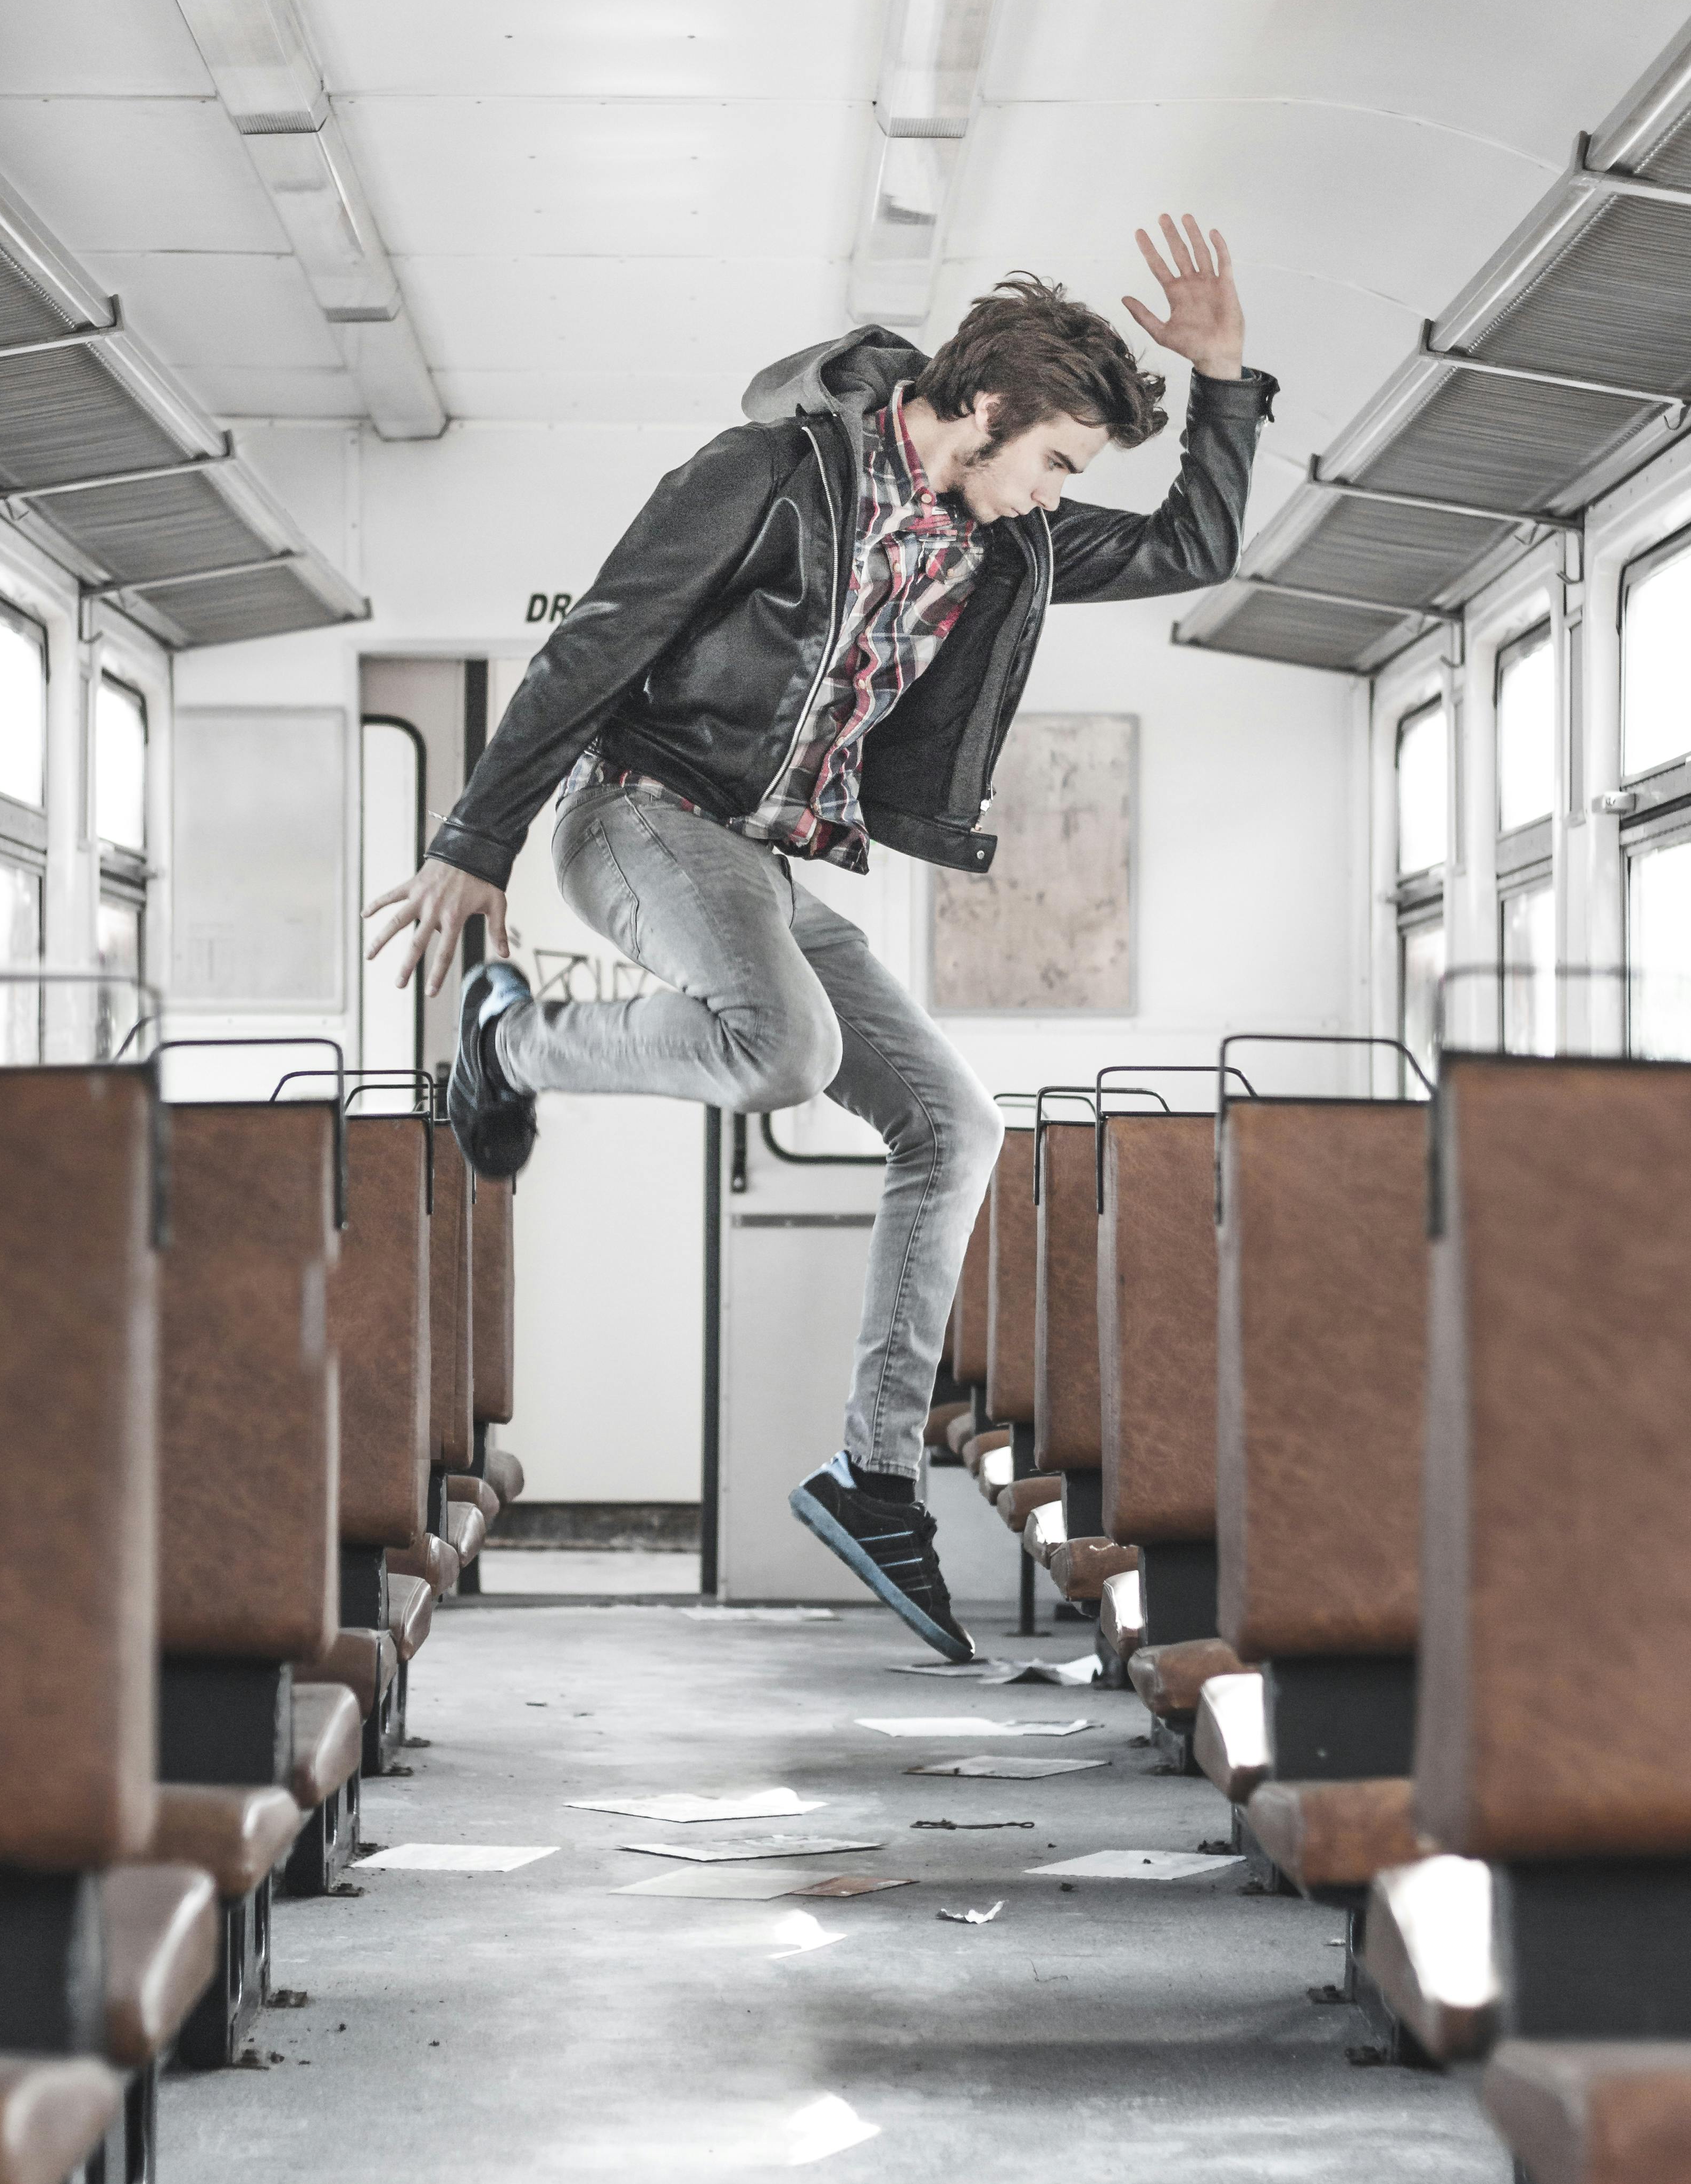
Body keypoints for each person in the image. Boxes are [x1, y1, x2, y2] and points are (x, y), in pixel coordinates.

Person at [365, 218, 1275, 1662]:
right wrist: (471, 841)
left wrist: (1226, 381)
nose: (1055, 495)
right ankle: (508, 1036)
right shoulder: (766, 480)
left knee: (952, 1120)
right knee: (784, 1050)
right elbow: (593, 644)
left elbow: (1193, 543)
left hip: (770, 864)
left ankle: (873, 1469)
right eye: (1052, 460)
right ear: (980, 410)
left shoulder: (1006, 540)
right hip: (642, 814)